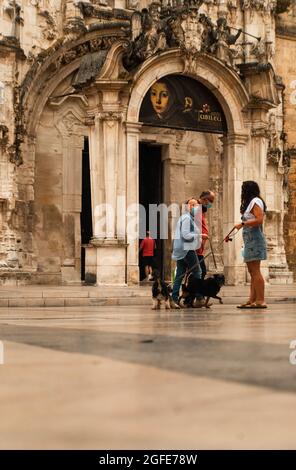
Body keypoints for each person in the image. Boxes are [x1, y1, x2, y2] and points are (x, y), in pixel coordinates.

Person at [235, 181, 268, 309]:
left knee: (255, 271)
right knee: (251, 271)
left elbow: (259, 220)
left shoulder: (255, 201)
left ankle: (261, 300)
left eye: (243, 189)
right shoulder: (251, 203)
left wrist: (242, 224)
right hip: (250, 240)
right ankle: (252, 300)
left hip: (255, 240)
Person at [171, 198, 202, 308]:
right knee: (198, 272)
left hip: (182, 249)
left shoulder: (186, 218)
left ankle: (174, 299)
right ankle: (198, 298)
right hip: (187, 249)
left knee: (179, 275)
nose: (196, 207)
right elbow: (185, 235)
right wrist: (199, 235)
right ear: (187, 207)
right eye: (192, 205)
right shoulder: (187, 218)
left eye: (197, 205)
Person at [196, 190, 215, 279]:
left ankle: (190, 291)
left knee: (197, 271)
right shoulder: (196, 207)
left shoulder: (201, 210)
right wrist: (200, 235)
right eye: (211, 201)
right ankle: (194, 291)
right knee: (201, 271)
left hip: (199, 247)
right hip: (196, 247)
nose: (211, 204)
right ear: (205, 199)